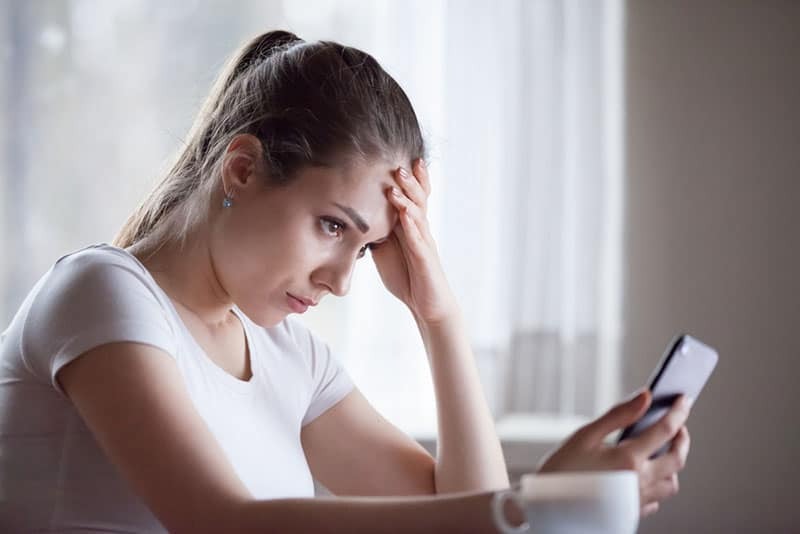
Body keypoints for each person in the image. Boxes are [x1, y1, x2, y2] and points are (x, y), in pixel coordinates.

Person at [0, 30, 691, 533]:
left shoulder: (286, 356)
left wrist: (437, 315)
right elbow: (221, 523)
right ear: (240, 169)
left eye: (365, 250)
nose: (340, 282)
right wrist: (538, 504)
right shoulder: (103, 291)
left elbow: (458, 510)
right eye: (333, 226)